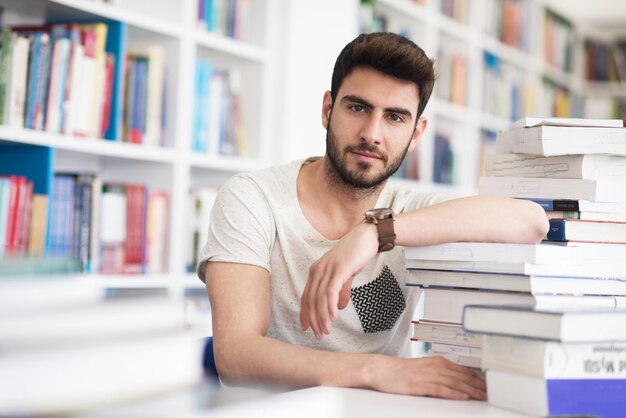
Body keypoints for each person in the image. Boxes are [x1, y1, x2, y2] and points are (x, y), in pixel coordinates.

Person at [197, 32, 548, 400]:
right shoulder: (254, 198)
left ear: (416, 133)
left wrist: (374, 233)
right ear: (327, 110)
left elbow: (532, 222)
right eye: (358, 108)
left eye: (395, 117)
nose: (371, 134)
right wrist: (375, 370)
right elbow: (235, 356)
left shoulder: (411, 213)